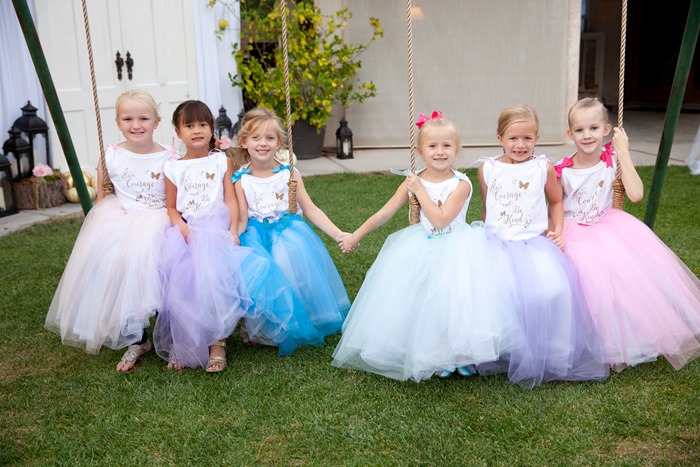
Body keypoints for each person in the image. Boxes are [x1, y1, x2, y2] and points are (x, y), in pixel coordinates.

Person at [331, 111, 523, 382]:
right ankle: (437, 354)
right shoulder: (414, 180)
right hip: (422, 245)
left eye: (447, 145)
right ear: (421, 150)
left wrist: (419, 190)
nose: (440, 151)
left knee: (457, 302)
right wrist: (357, 235)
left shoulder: (461, 184)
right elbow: (385, 213)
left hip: (458, 249)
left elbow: (442, 220)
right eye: (433, 146)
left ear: (456, 149)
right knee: (425, 303)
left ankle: (463, 355)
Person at [556, 97, 700, 371]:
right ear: (569, 133)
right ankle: (582, 342)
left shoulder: (612, 160)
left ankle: (620, 342)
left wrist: (624, 152)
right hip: (574, 232)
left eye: (594, 128)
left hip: (608, 228)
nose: (587, 135)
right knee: (584, 283)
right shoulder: (561, 170)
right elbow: (556, 209)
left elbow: (635, 194)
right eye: (579, 130)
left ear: (607, 130)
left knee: (622, 281)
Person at [475, 104, 609, 388]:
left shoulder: (542, 167)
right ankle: (505, 348)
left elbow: (556, 202)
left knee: (551, 289)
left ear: (537, 138)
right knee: (498, 293)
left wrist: (558, 231)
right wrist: (485, 234)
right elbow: (488, 207)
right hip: (498, 242)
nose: (520, 145)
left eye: (527, 138)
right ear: (500, 138)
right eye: (513, 138)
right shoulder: (488, 169)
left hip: (533, 243)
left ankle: (552, 350)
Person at [45, 90, 175, 373]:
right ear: (118, 122)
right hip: (122, 216)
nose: (136, 124)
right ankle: (138, 337)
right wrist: (98, 227)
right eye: (128, 118)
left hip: (160, 217)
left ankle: (172, 335)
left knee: (165, 268)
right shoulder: (111, 154)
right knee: (114, 263)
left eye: (144, 118)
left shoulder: (170, 154)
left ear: (157, 121)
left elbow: (177, 196)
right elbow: (105, 193)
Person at [232, 107, 351, 342]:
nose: (263, 143)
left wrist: (337, 234)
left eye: (269, 138)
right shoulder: (241, 179)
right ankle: (268, 325)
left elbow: (311, 209)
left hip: (289, 231)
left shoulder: (289, 174)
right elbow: (243, 218)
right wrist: (234, 238)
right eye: (256, 138)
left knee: (294, 272)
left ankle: (301, 318)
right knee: (262, 277)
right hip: (256, 234)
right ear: (244, 142)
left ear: (279, 143)